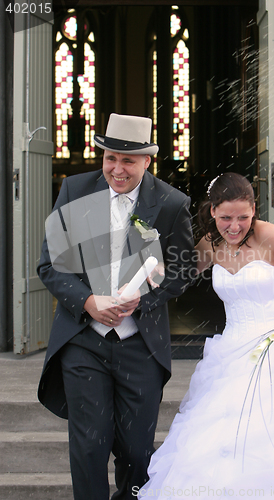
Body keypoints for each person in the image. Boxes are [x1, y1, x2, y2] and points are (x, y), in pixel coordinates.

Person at [138, 172, 274, 499]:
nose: (235, 226)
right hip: (230, 354)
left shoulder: (269, 236)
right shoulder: (211, 244)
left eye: (243, 217)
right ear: (212, 211)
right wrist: (142, 251)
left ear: (254, 209)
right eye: (226, 217)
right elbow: (172, 277)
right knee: (220, 441)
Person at [37, 113, 194, 500]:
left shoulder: (171, 203)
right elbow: (51, 264)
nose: (117, 169)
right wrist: (87, 301)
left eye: (128, 161)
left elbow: (182, 269)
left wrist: (145, 296)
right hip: (82, 341)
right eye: (110, 158)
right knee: (89, 448)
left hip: (140, 345)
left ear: (146, 161)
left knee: (136, 453)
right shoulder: (75, 190)